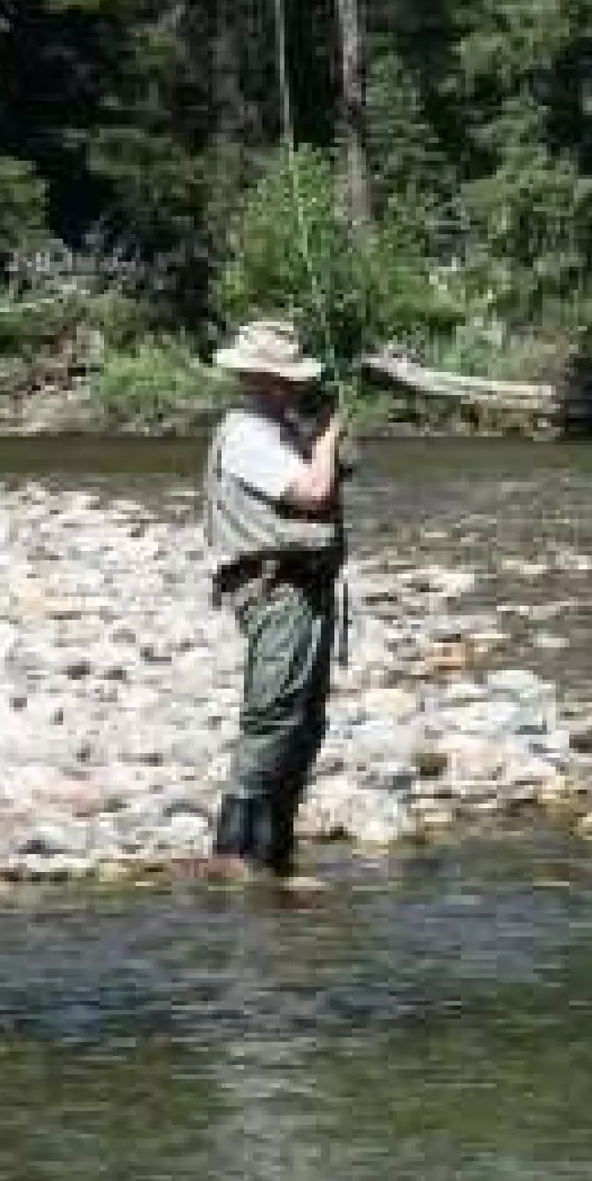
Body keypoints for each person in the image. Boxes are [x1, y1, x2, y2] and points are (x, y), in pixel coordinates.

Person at [199, 318, 350, 885]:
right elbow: (312, 491)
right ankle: (234, 851)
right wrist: (328, 437)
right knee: (272, 715)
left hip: (301, 586)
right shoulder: (246, 435)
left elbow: (335, 475)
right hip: (274, 588)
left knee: (304, 721)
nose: (293, 388)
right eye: (284, 380)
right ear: (257, 379)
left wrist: (326, 440)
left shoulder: (278, 431)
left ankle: (274, 851)